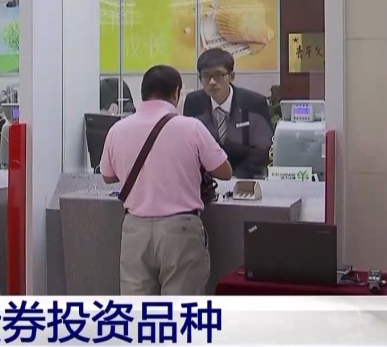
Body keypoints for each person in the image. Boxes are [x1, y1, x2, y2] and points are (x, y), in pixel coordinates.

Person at [100, 65, 232, 295]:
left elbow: (108, 176)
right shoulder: (191, 127)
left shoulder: (117, 130)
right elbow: (224, 171)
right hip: (180, 231)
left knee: (138, 312)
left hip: (135, 231)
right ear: (176, 93)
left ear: (142, 93)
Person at [183, 48, 274, 179]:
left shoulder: (254, 102)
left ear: (231, 76)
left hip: (246, 178)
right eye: (206, 76)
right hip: (207, 181)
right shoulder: (194, 102)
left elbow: (263, 148)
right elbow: (190, 148)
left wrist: (235, 177)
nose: (212, 82)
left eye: (219, 75)